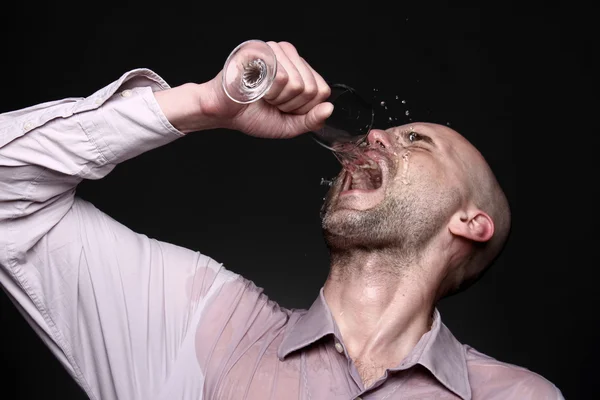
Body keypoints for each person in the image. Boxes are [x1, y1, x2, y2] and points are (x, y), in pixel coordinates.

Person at [0, 41, 562, 400]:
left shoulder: (514, 396)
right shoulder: (202, 329)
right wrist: (203, 105)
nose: (372, 136)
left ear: (471, 222)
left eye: (416, 140)